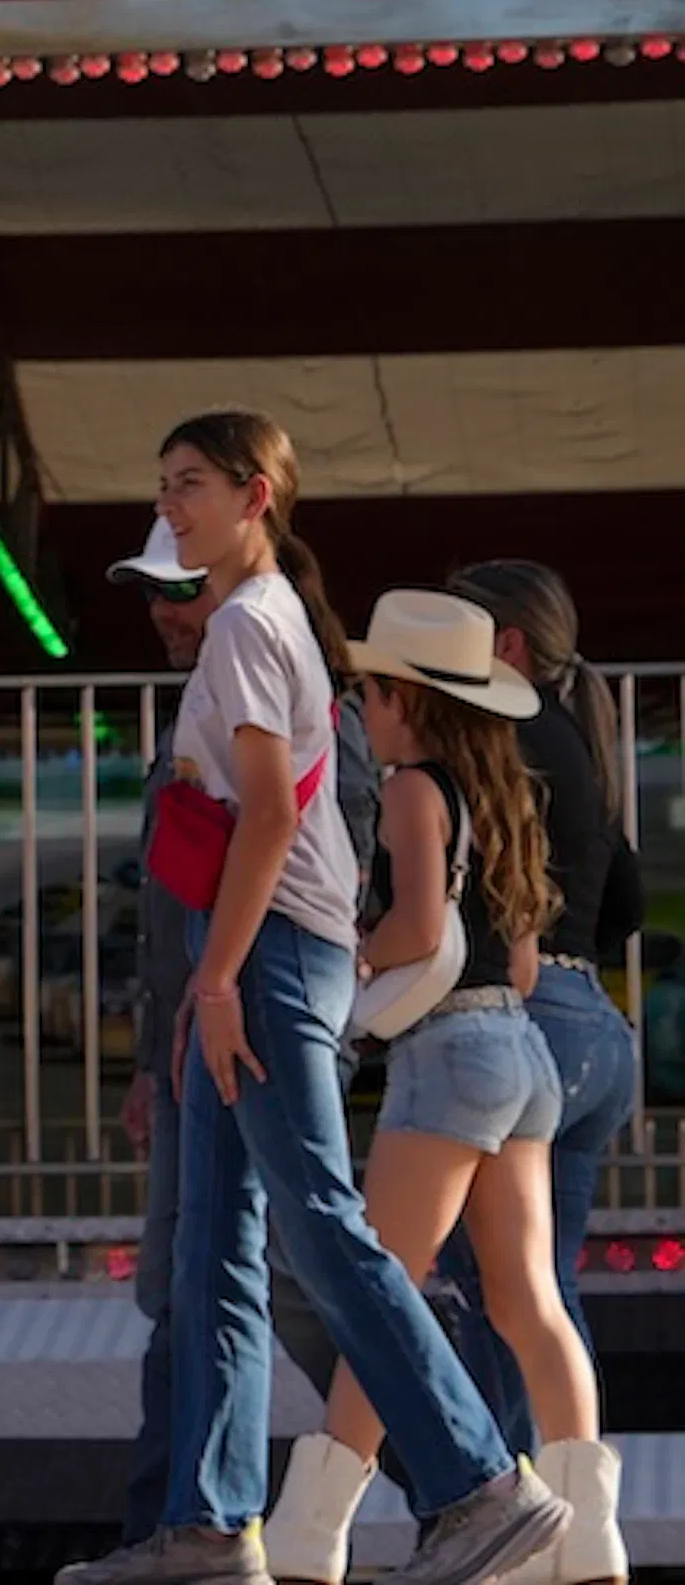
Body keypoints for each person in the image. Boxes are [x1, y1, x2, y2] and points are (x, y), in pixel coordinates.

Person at [57, 411, 563, 1585]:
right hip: (268, 949)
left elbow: (270, 814)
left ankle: (477, 1486)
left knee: (313, 1232)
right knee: (224, 1248)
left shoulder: (242, 622)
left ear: (256, 498)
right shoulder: (268, 617)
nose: (170, 505)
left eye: (190, 485)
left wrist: (220, 976)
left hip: (270, 952)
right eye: (163, 485)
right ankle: (208, 1522)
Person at [260, 591, 611, 1585]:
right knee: (530, 1303)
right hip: (523, 1053)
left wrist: (349, 975)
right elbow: (528, 965)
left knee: (379, 1294)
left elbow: (417, 930)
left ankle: (309, 1536)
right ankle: (590, 1541)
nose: (361, 711)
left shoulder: (415, 790)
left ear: (411, 701)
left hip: (450, 1059)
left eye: (370, 693)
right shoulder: (508, 795)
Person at [106, 518, 371, 1549]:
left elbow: (322, 880)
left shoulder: (300, 704)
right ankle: (186, 1524)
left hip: (253, 1016)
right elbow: (170, 901)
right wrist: (154, 1052)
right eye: (155, 598)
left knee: (277, 1268)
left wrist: (240, 993)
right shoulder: (213, 710)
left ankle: (457, 1459)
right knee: (204, 1276)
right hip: (207, 1026)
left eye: (184, 593)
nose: (168, 615)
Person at [436, 560, 645, 1519]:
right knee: (544, 1291)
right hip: (598, 1027)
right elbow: (627, 908)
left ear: (506, 647)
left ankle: (508, 1515)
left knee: (495, 1290)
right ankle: (578, 1517)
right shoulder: (581, 747)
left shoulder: (499, 732)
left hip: (532, 1028)